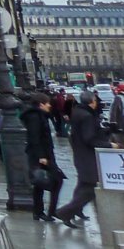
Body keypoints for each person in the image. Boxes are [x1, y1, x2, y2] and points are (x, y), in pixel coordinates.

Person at [56, 90, 117, 228]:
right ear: (92, 102)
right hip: (88, 157)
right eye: (95, 100)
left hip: (81, 155)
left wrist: (105, 130)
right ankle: (64, 212)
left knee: (83, 186)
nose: (97, 103)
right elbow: (89, 138)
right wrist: (109, 145)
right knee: (89, 189)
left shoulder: (78, 112)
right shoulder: (87, 116)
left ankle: (75, 211)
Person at [24, 93, 65, 223]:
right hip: (41, 155)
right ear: (41, 104)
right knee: (56, 180)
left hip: (44, 154)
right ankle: (50, 211)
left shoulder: (40, 115)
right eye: (47, 103)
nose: (50, 105)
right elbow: (34, 137)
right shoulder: (35, 117)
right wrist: (41, 156)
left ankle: (39, 212)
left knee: (39, 183)